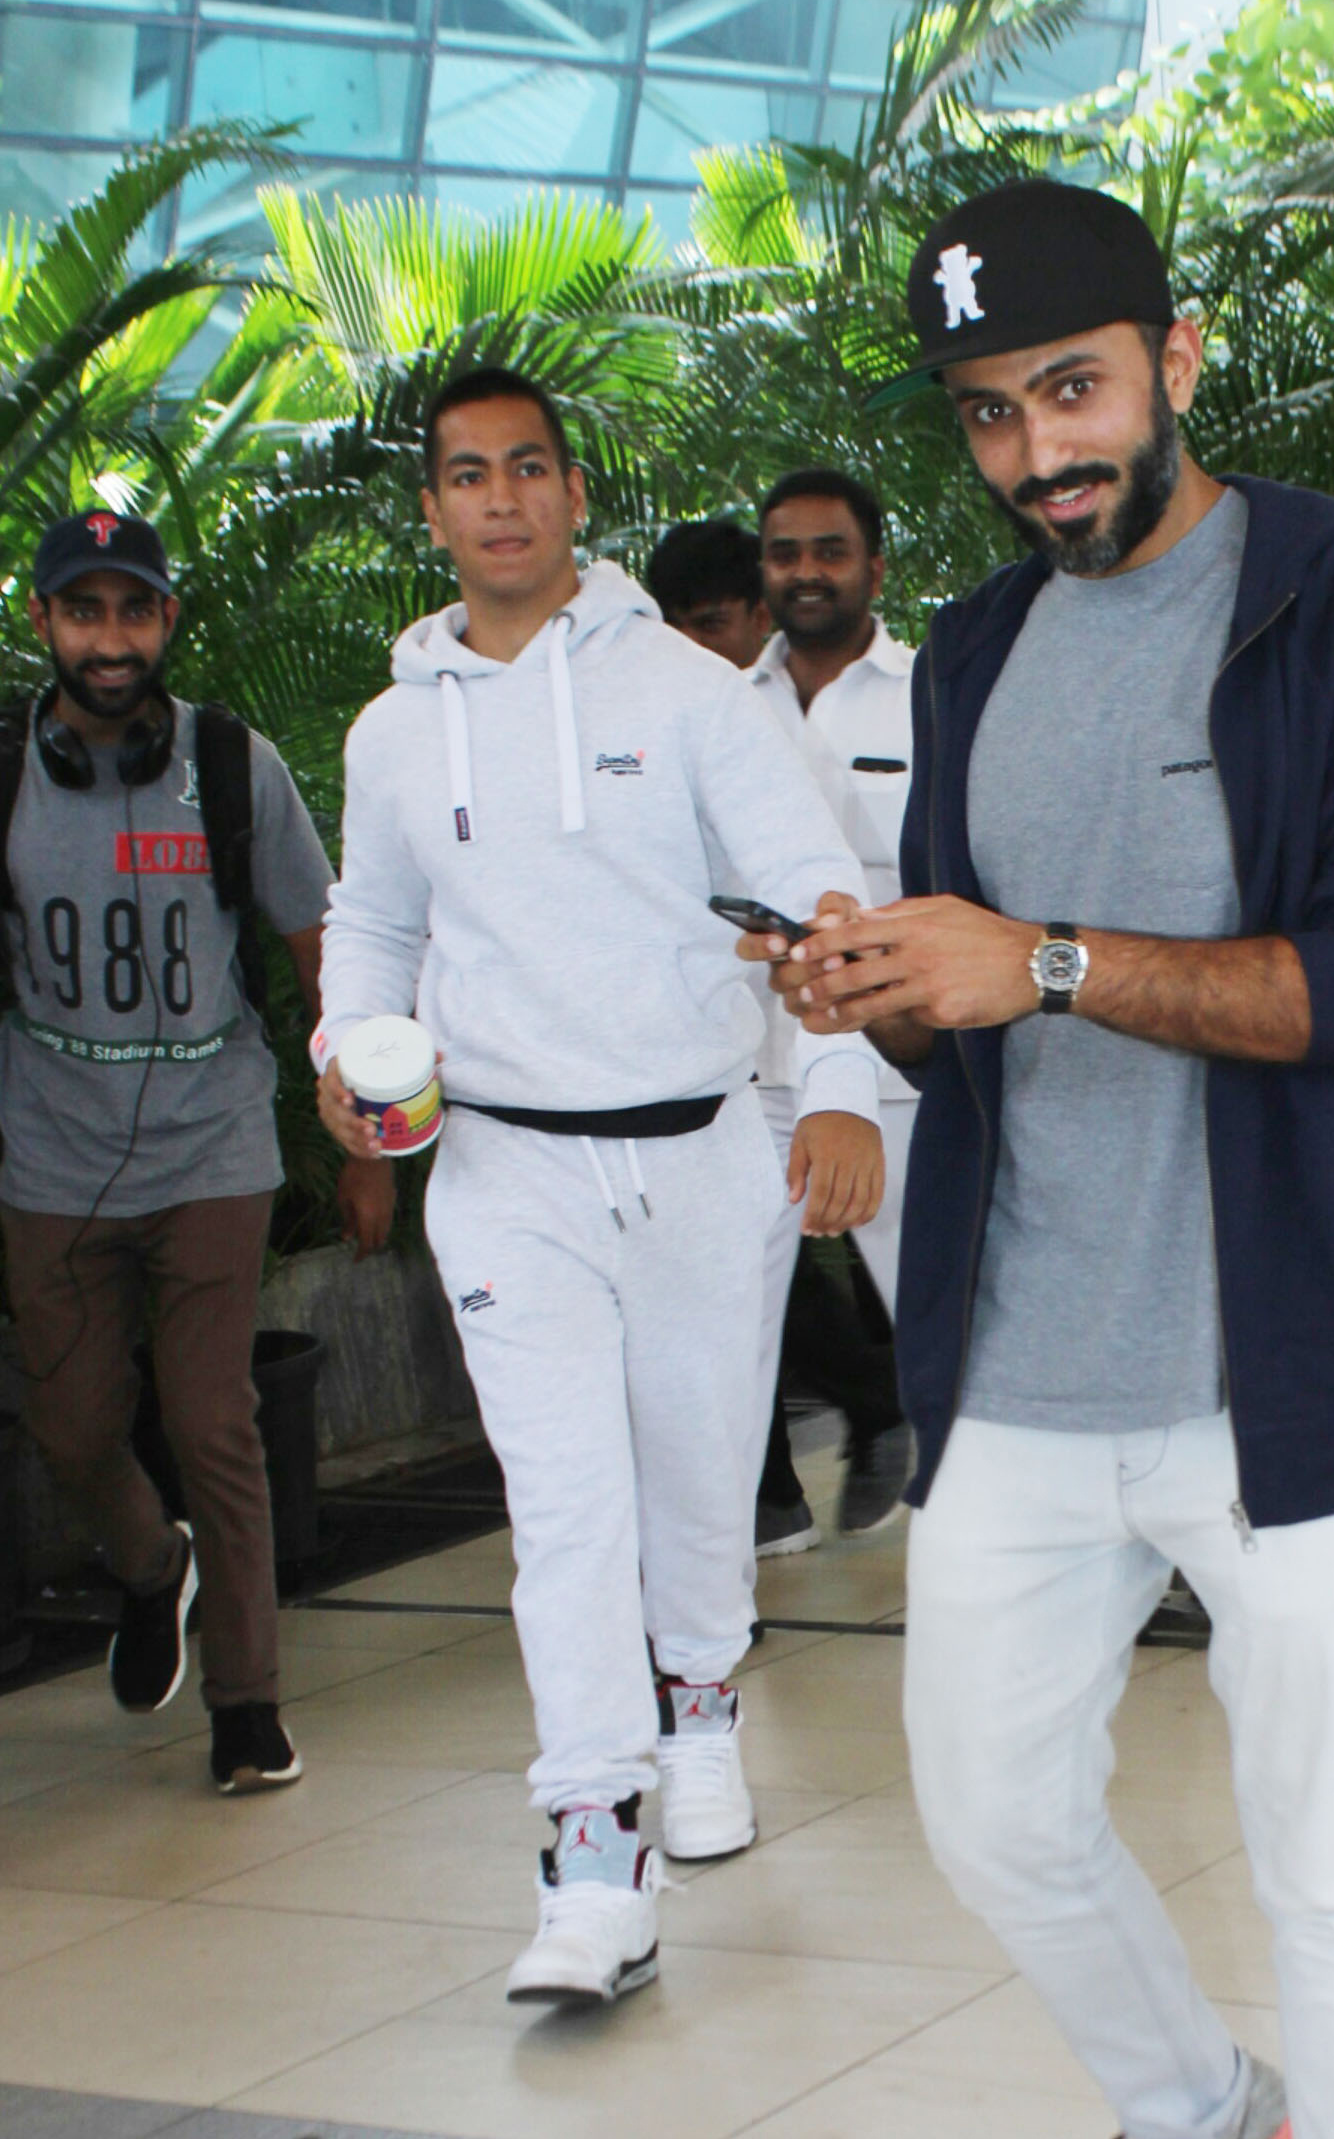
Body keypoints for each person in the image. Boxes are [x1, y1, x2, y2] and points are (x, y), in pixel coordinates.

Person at [756, 182, 1334, 2139]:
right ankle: (1196, 2114)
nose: (1036, 454)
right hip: (1030, 1351)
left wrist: (1050, 959)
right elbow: (984, 982)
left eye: (1071, 393)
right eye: (988, 417)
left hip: (1285, 1366)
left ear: (1174, 358)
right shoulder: (976, 645)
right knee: (987, 1810)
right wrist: (886, 982)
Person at [317, 367, 881, 2012]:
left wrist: (837, 1086)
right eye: (464, 476)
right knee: (564, 1509)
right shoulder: (393, 728)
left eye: (527, 469)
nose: (498, 499)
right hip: (501, 1167)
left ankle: (699, 1700)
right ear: (430, 511)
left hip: (704, 1149)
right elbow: (376, 928)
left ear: (574, 496)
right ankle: (592, 1861)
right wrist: (350, 1056)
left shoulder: (695, 697)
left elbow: (810, 900)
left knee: (701, 1471)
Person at [0, 510, 387, 1792]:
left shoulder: (230, 763)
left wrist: (363, 1129)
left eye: (133, 612)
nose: (109, 640)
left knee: (213, 1416)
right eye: (83, 612)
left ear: (166, 623)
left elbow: (317, 943)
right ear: (46, 623)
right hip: (49, 1154)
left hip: (215, 1143)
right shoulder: (3, 768)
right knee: (68, 1423)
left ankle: (247, 1701)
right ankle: (151, 1565)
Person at [747, 468, 920, 1543]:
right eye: (784, 552)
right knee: (727, 1333)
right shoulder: (715, 701)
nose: (805, 572)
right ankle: (721, 1585)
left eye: (829, 551)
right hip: (751, 1075)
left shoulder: (936, 693)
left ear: (873, 566)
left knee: (946, 1328)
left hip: (904, 1066)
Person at [643, 518, 770, 670]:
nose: (688, 644)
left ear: (761, 618)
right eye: (672, 628)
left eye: (709, 625)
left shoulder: (798, 690)